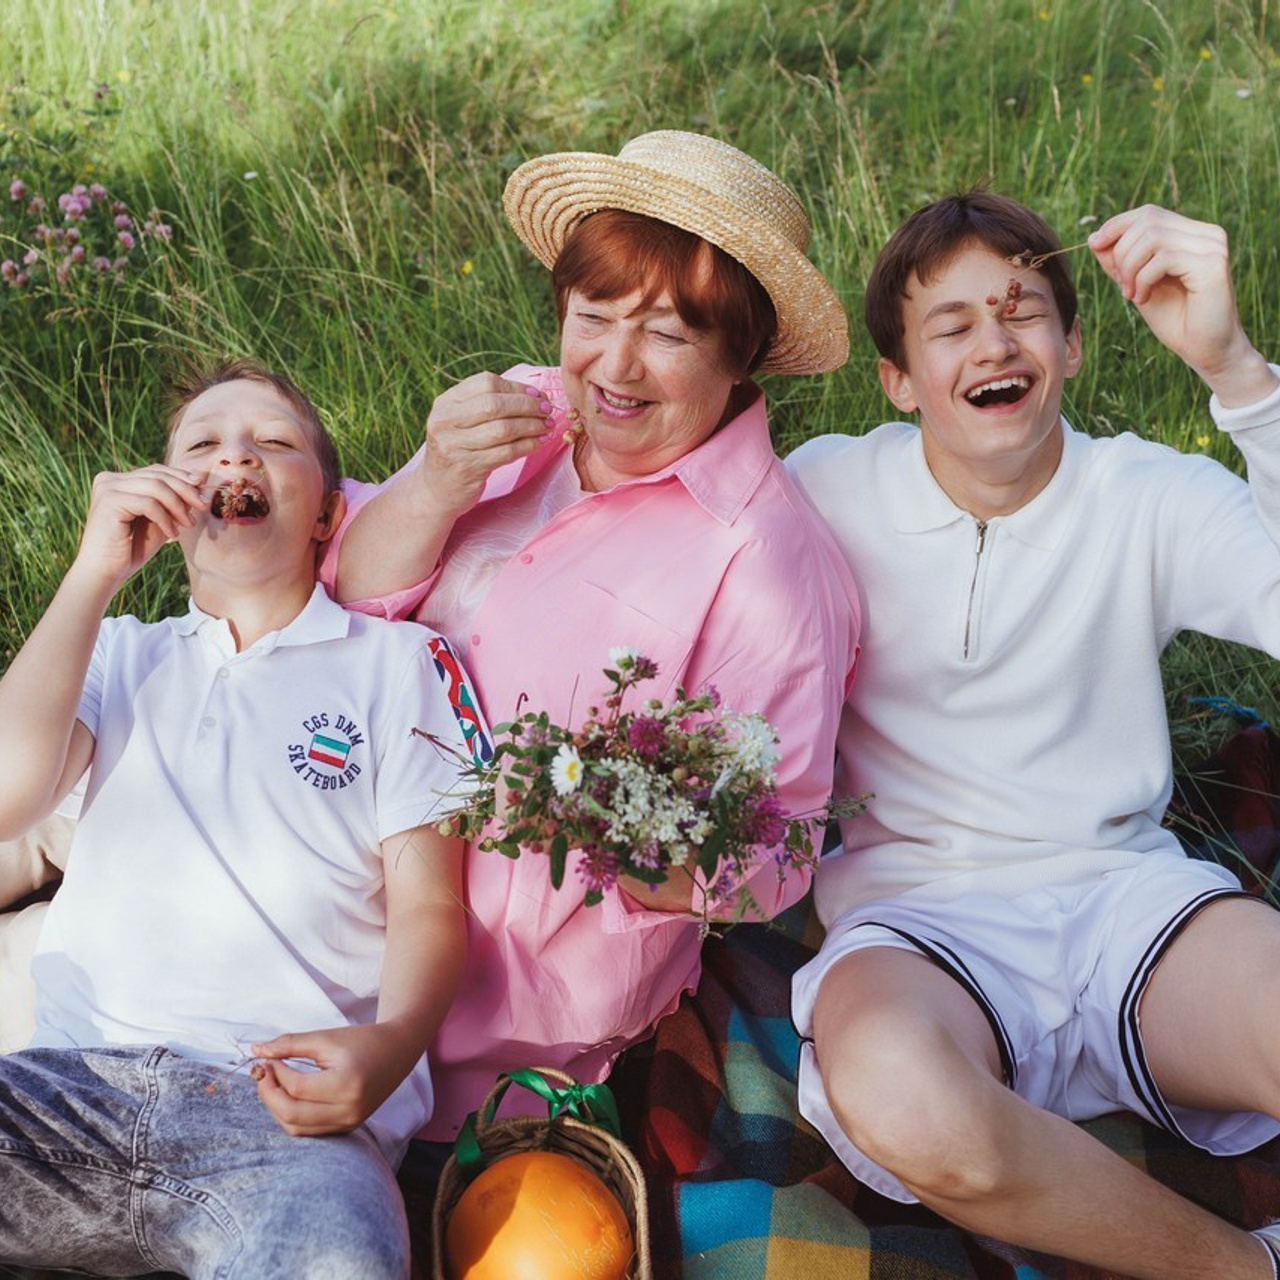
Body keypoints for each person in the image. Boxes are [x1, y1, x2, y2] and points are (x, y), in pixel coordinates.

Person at [323, 129, 862, 1141]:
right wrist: (435, 482)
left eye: (666, 334)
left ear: (738, 355)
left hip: (495, 993)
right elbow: (344, 601)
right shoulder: (520, 415)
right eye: (594, 315)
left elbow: (770, 860)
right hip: (317, 861)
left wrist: (584, 820)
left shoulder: (767, 566)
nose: (614, 365)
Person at [786, 192, 1280, 1278]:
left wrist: (1235, 370)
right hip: (916, 928)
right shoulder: (823, 490)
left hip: (1128, 903)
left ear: (1070, 346)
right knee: (903, 1098)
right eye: (951, 325)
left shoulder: (1141, 494)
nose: (994, 343)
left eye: (1021, 312)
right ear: (898, 380)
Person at [0, 360, 482, 1276]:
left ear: (329, 514)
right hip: (68, 1090)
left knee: (340, 1259)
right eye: (203, 445)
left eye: (273, 442)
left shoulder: (400, 663)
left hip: (282, 1122)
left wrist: (390, 1048)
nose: (235, 458)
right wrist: (93, 572)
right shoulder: (117, 651)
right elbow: (6, 799)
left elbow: (431, 905)